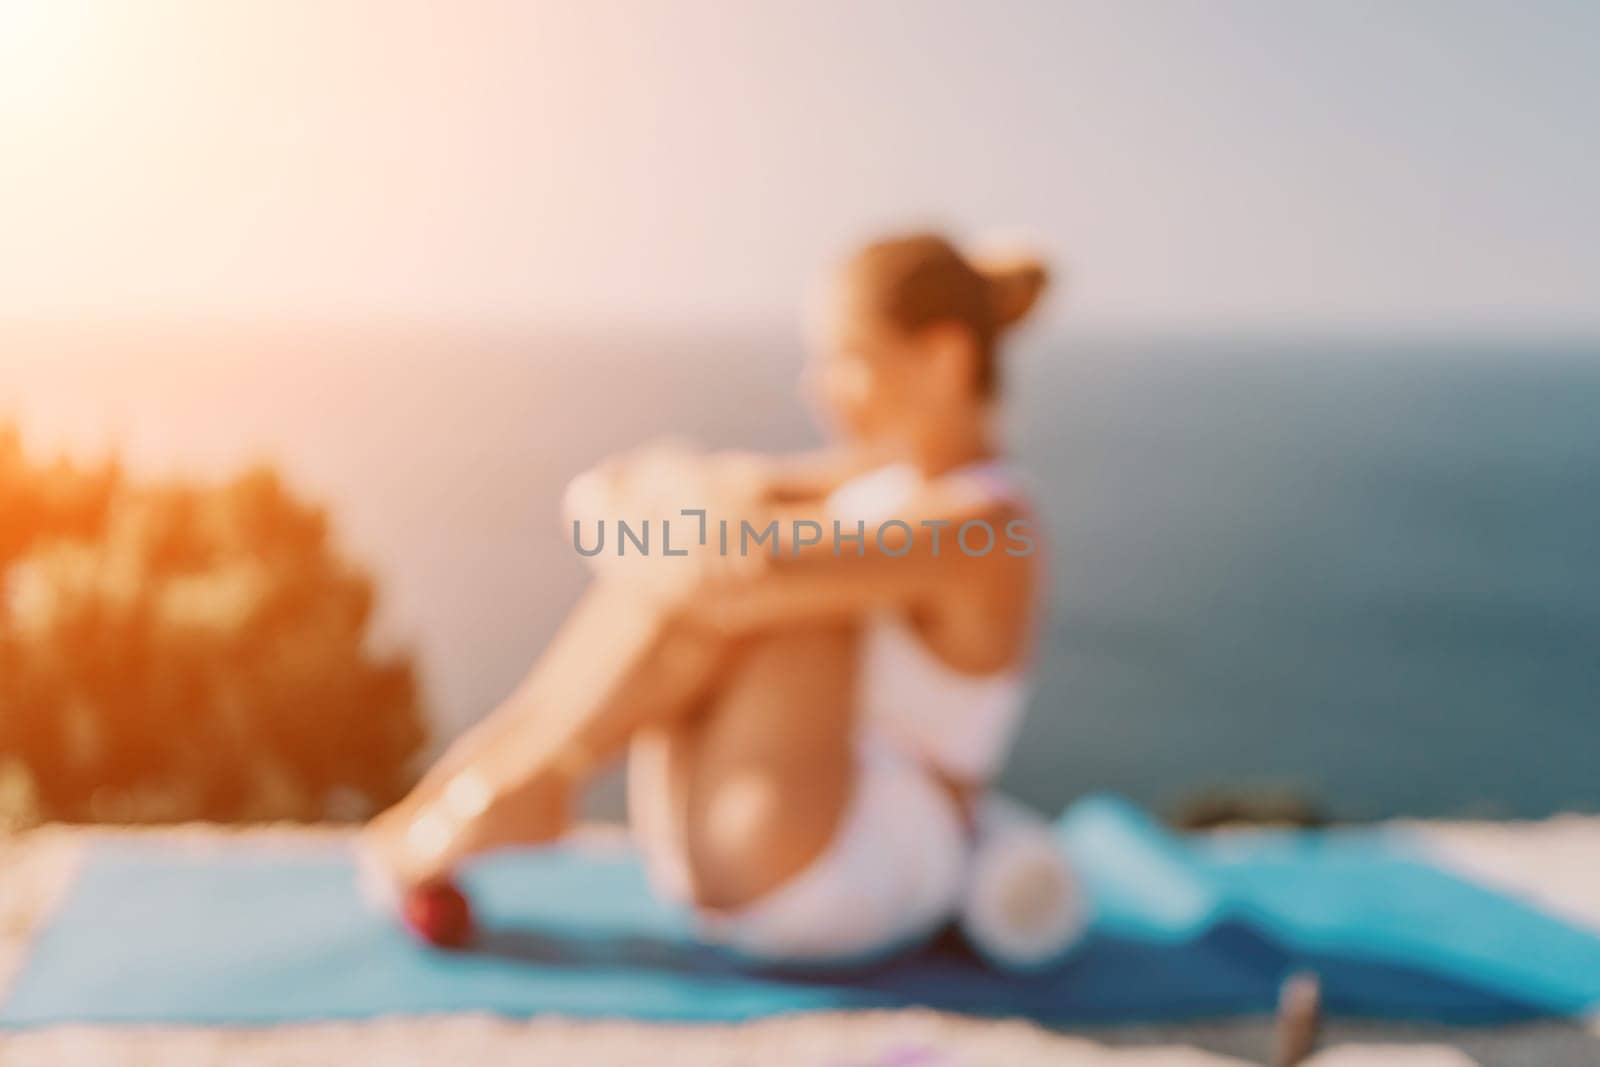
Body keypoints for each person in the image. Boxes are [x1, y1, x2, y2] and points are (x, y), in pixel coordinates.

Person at [363, 232, 1051, 963]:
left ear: (944, 358)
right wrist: (637, 507)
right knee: (723, 548)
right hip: (733, 840)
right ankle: (516, 780)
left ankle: (515, 780)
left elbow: (737, 566)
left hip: (852, 874)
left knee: (767, 586)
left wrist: (620, 516)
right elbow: (698, 496)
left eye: (848, 358)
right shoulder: (874, 485)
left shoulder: (991, 530)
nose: (817, 386)